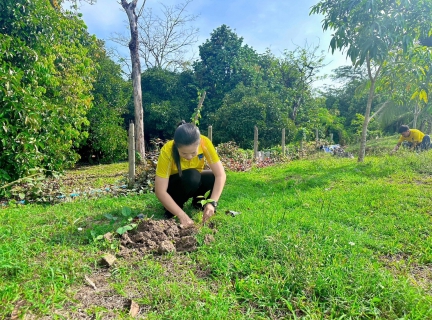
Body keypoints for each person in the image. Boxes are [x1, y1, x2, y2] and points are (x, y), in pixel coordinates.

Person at [155, 121, 226, 228]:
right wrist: (181, 215)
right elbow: (160, 191)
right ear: (176, 146)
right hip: (175, 187)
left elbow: (221, 175)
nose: (189, 157)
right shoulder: (168, 150)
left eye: (193, 153)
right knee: (192, 176)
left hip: (193, 179)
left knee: (212, 177)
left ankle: (199, 203)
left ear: (199, 144)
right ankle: (173, 208)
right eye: (183, 153)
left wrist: (212, 203)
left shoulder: (204, 142)